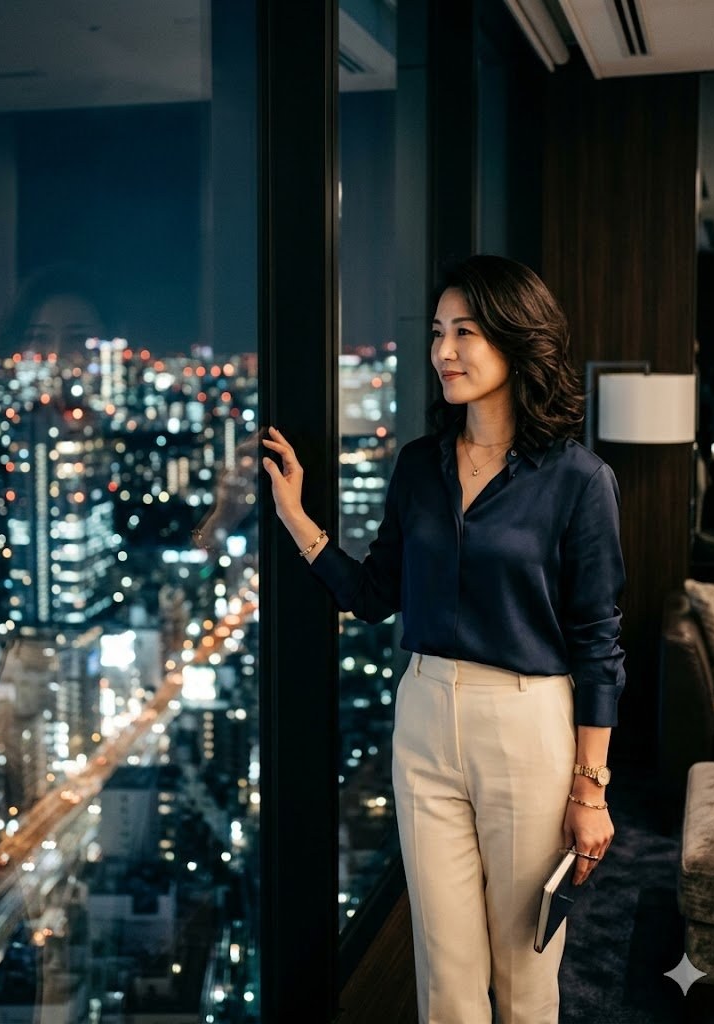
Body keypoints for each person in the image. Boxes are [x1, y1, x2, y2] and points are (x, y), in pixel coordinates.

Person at [261, 254, 626, 1024]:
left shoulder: (577, 479)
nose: (443, 351)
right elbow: (372, 597)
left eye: (464, 331)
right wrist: (297, 519)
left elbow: (598, 639)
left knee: (523, 976)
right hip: (423, 718)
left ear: (515, 341)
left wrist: (589, 788)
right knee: (445, 977)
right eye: (436, 332)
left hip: (527, 724)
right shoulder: (418, 467)